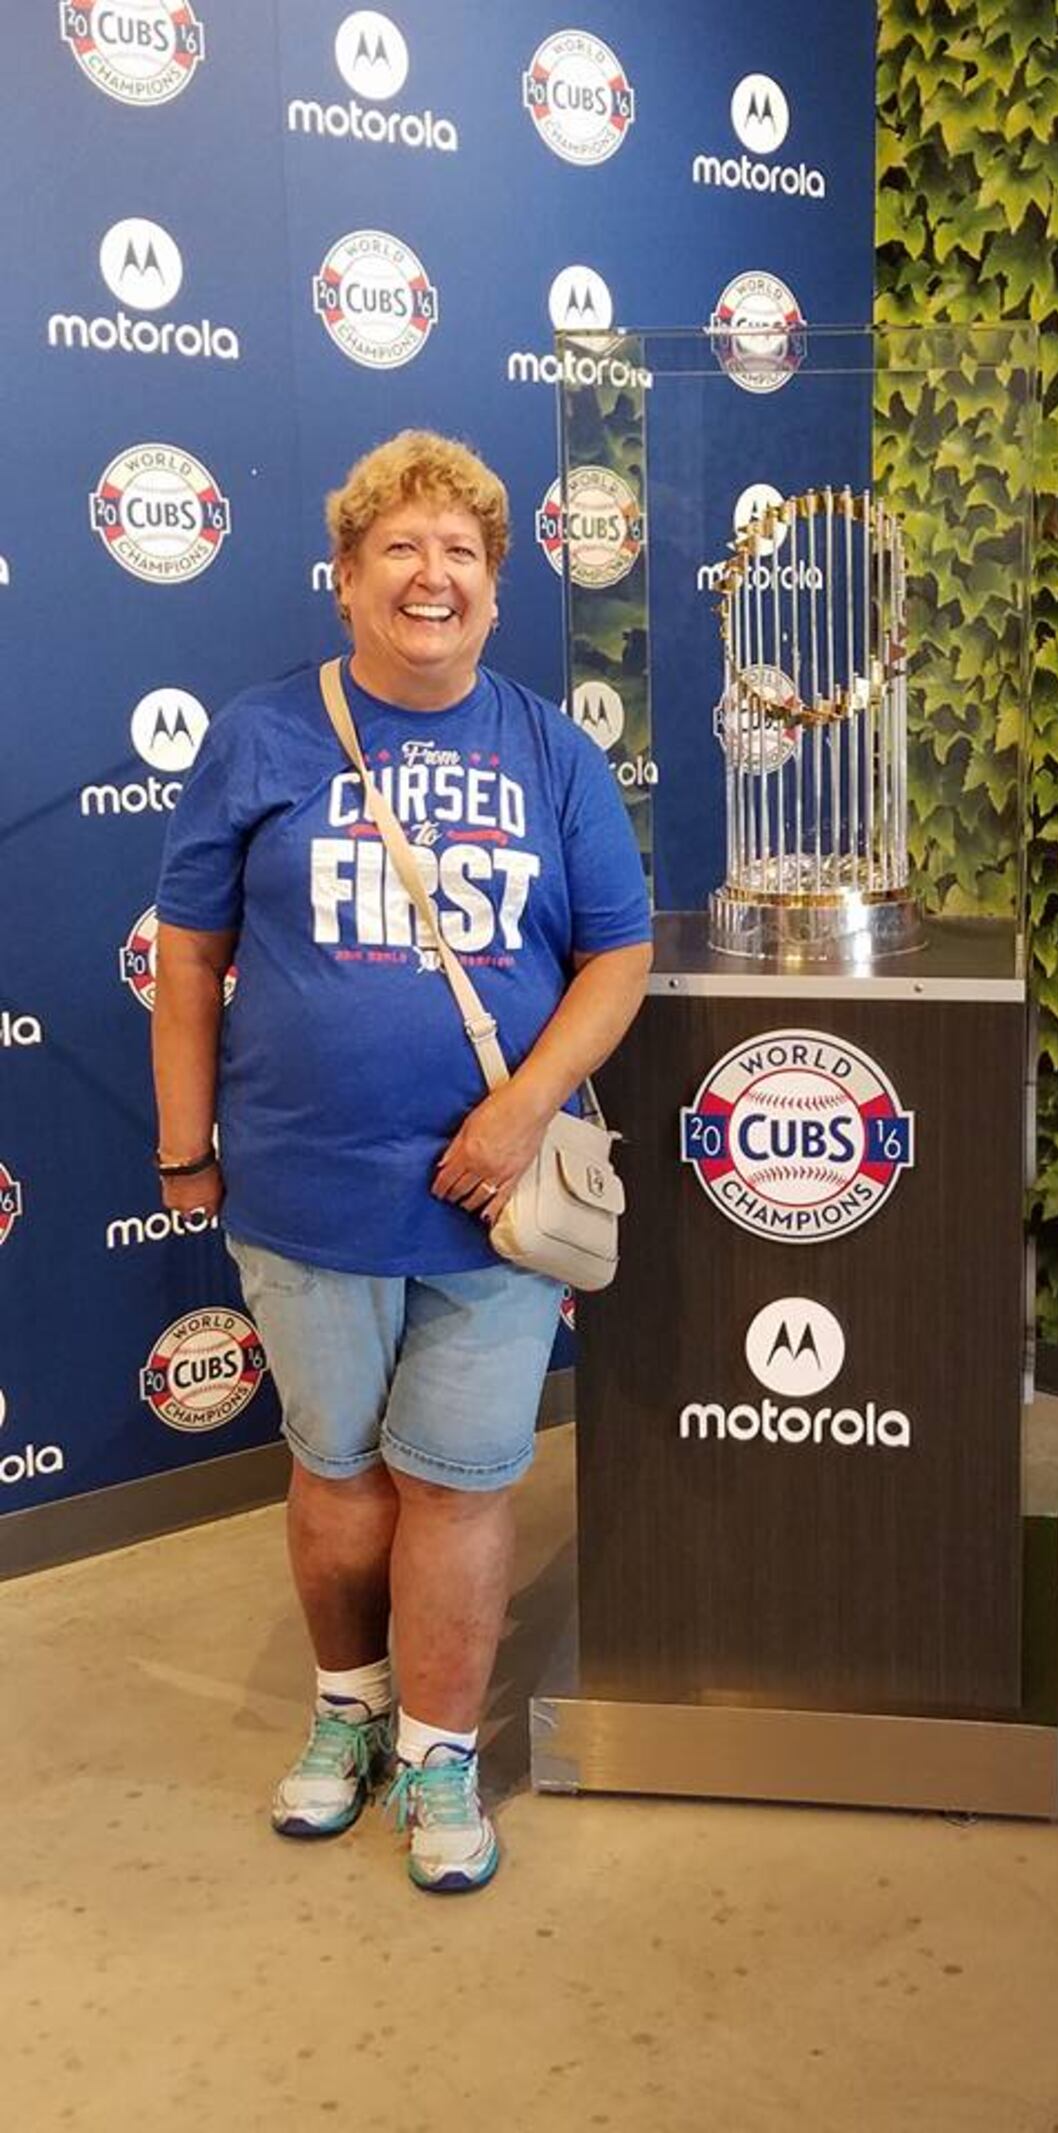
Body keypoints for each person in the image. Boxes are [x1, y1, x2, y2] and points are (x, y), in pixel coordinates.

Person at [152, 430, 652, 1893]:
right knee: (337, 1472)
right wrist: (188, 1148)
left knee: (459, 1481)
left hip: (497, 1206)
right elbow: (190, 961)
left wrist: (523, 1110)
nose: (432, 576)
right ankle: (345, 1713)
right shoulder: (261, 736)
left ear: (496, 592)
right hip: (306, 1190)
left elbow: (617, 956)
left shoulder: (551, 749)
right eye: (401, 550)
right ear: (349, 578)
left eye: (462, 555)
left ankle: (438, 1746)